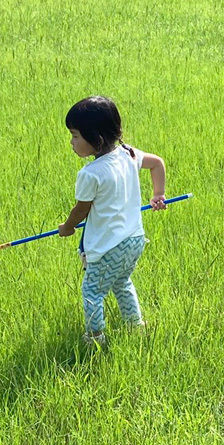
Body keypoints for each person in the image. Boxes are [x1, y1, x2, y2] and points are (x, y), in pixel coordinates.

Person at [57, 96, 168, 349]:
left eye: (75, 136)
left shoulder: (90, 174)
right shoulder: (129, 154)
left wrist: (68, 227)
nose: (72, 143)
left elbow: (81, 210)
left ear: (95, 138)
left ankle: (95, 339)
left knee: (93, 292)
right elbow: (157, 163)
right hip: (134, 240)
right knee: (121, 281)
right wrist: (158, 194)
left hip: (108, 247)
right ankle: (135, 324)